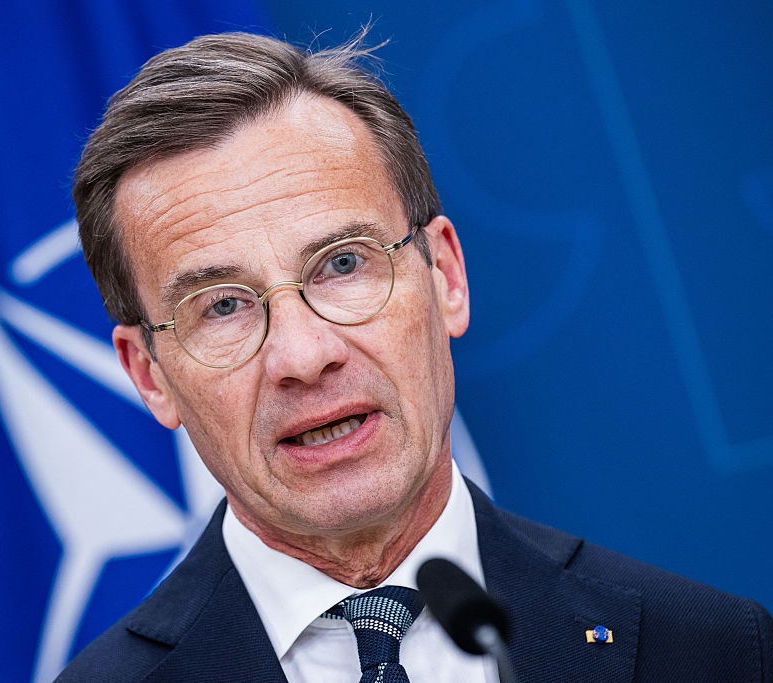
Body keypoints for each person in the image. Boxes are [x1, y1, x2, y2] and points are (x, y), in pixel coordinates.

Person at [56, 31, 773, 682]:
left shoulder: (714, 651)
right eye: (222, 306)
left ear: (446, 276)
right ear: (150, 375)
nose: (304, 355)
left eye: (343, 264)